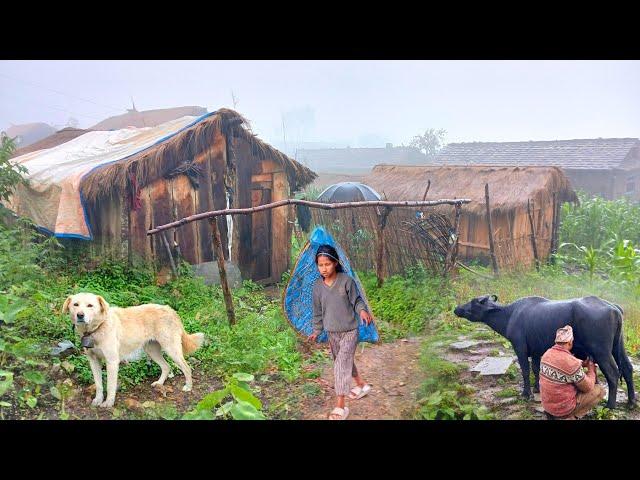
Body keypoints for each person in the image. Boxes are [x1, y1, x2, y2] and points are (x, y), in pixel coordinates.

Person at [308, 244, 373, 420]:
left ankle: (341, 406)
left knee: (340, 366)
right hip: (332, 334)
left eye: (327, 264)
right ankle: (362, 384)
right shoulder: (317, 288)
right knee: (344, 361)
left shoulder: (346, 281)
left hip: (350, 331)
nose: (324, 268)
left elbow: (357, 300)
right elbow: (317, 312)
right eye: (320, 265)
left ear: (335, 263)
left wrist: (362, 311)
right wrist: (316, 330)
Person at [539, 325, 606, 420]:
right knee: (600, 391)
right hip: (562, 409)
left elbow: (562, 364)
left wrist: (582, 364)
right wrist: (591, 369)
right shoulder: (572, 363)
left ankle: (553, 414)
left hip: (547, 406)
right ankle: (571, 416)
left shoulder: (547, 354)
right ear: (570, 342)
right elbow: (588, 387)